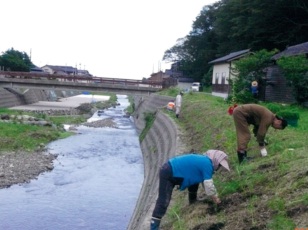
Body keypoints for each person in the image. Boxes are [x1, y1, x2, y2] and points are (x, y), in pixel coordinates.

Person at [150, 150, 230, 230]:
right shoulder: (207, 164)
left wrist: (213, 196)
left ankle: (193, 200)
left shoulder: (204, 160)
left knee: (196, 178)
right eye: (219, 165)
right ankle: (154, 227)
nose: (219, 167)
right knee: (164, 201)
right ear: (215, 160)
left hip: (170, 168)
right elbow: (209, 185)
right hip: (169, 171)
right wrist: (217, 200)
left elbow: (204, 181)